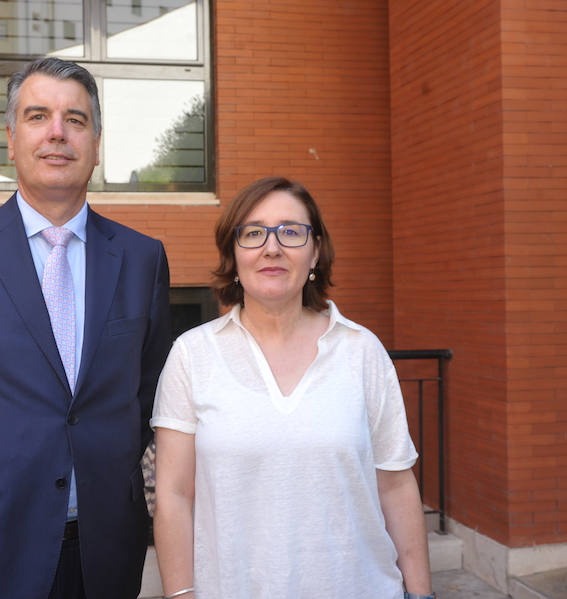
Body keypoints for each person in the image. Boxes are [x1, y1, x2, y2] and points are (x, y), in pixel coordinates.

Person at [0, 57, 171, 599]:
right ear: (11, 139)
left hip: (104, 551)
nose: (58, 133)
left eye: (77, 119)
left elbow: (144, 401)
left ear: (95, 142)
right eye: (39, 115)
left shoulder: (143, 259)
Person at [151, 176, 434, 599]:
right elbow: (173, 495)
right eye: (253, 233)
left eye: (291, 231)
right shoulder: (193, 355)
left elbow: (395, 484)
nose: (272, 247)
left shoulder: (362, 352)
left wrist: (422, 594)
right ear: (233, 252)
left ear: (315, 250)